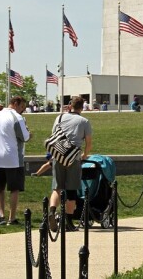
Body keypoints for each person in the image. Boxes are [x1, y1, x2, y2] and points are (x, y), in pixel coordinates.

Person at [47, 96, 93, 233]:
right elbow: (88, 142)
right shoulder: (84, 121)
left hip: (58, 155)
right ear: (82, 107)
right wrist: (84, 154)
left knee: (57, 187)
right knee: (71, 190)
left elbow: (54, 135)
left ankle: (52, 211)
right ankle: (68, 222)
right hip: (73, 157)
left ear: (70, 106)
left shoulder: (59, 117)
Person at [0, 96, 31, 225]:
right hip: (12, 157)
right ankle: (11, 218)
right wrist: (30, 134)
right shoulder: (17, 117)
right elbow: (24, 137)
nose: (22, 110)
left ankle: (1, 215)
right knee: (14, 189)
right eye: (21, 107)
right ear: (15, 104)